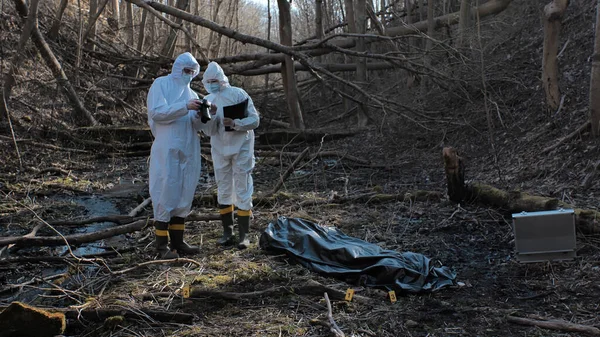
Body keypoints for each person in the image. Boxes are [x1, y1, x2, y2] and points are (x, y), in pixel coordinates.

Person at [146, 52, 213, 259]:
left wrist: (206, 113)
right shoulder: (161, 84)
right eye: (186, 71)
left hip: (189, 148)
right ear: (177, 68)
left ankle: (178, 242)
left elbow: (198, 125)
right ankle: (161, 246)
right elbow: (157, 112)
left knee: (185, 191)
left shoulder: (192, 94)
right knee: (166, 188)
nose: (189, 75)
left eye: (193, 72)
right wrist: (184, 107)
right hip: (167, 147)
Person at [202, 61, 260, 249]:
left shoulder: (238, 94)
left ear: (222, 79)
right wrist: (208, 116)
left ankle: (244, 235)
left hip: (242, 147)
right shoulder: (208, 99)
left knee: (242, 188)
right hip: (219, 149)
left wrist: (235, 122)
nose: (212, 83)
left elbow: (254, 120)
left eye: (214, 80)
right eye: (208, 80)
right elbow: (208, 131)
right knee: (224, 188)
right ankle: (227, 232)